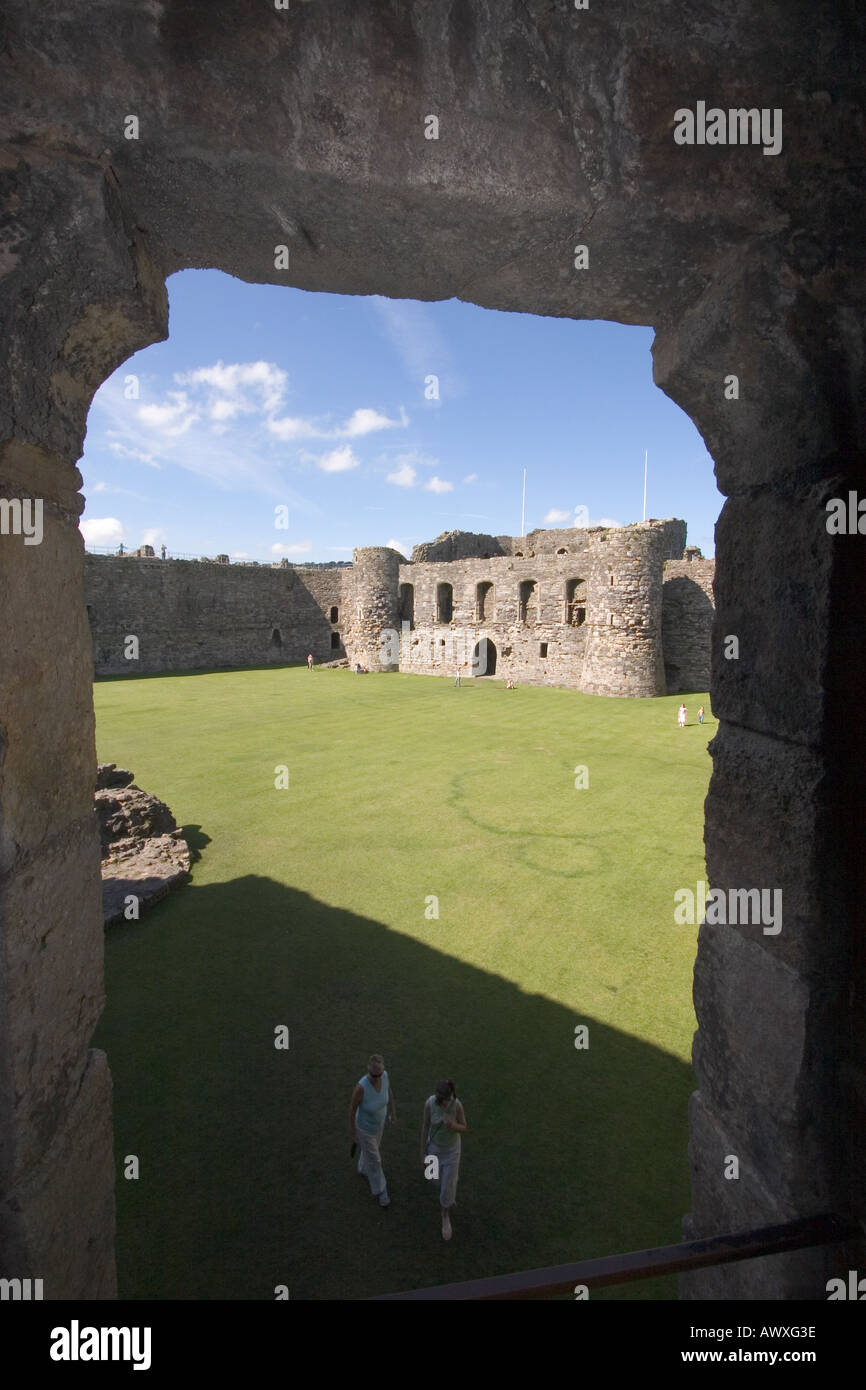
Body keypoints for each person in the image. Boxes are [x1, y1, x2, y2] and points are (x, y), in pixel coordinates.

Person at [421, 1079, 467, 1241]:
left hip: (451, 1151)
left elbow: (464, 1127)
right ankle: (450, 1181)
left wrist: (453, 1125)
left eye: (446, 1101)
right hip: (433, 1147)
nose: (443, 1104)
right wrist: (422, 1153)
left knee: (447, 1187)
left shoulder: (457, 1105)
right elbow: (425, 1126)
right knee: (432, 1178)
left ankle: (445, 1215)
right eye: (441, 1101)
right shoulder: (430, 1103)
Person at [349, 1053, 396, 1207]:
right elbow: (352, 1109)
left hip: (379, 1125)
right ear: (368, 1070)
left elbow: (389, 1092)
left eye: (379, 1074)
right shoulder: (361, 1087)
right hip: (364, 1128)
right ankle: (381, 1191)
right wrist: (354, 1133)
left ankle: (362, 1168)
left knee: (371, 1151)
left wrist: (393, 1113)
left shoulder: (385, 1077)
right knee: (375, 1160)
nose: (377, 1078)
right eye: (373, 1075)